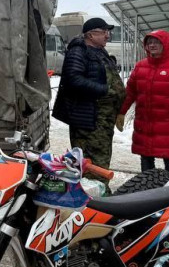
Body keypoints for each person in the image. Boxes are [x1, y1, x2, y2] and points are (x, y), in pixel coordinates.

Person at [117, 30, 169, 176]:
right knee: (146, 158)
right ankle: (147, 186)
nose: (152, 45)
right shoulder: (140, 66)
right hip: (144, 123)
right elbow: (130, 93)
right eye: (149, 43)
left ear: (166, 44)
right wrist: (121, 112)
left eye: (157, 42)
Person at [52, 17, 125, 168]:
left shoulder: (100, 51)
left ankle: (99, 182)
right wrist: (104, 90)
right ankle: (91, 183)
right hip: (89, 121)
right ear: (91, 35)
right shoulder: (78, 51)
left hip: (103, 120)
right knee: (90, 162)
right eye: (104, 32)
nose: (107, 36)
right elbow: (73, 80)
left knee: (101, 159)